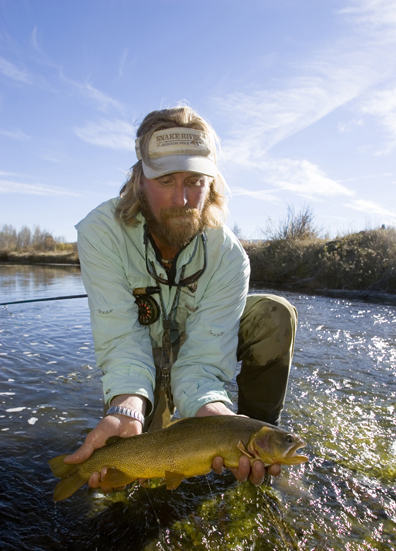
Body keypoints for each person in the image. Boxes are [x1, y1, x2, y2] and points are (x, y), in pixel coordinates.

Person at [65, 106, 297, 493]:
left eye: (194, 180)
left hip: (200, 346)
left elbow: (205, 356)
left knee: (274, 313)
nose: (181, 198)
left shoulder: (228, 255)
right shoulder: (100, 232)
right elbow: (122, 338)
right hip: (145, 346)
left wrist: (215, 416)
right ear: (139, 179)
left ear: (212, 182)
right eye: (166, 180)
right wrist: (126, 406)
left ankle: (255, 447)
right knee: (134, 471)